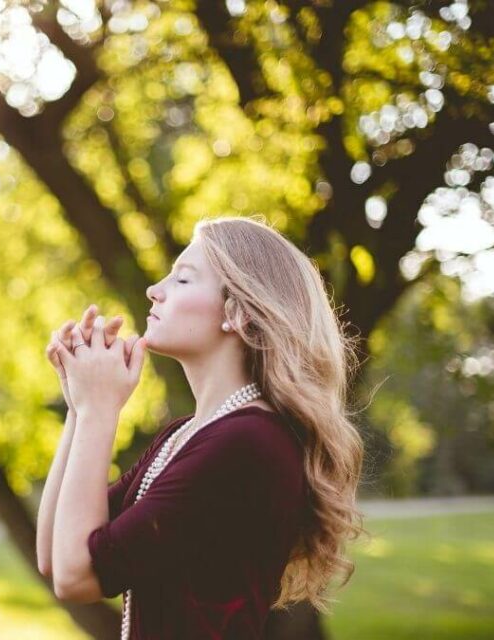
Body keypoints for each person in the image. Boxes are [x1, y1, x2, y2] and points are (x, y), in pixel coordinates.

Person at [36, 216, 367, 639]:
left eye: (183, 280)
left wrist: (100, 409)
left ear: (238, 312)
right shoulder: (187, 434)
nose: (154, 290)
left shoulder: (246, 443)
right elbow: (54, 554)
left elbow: (77, 577)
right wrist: (80, 406)